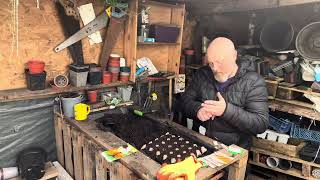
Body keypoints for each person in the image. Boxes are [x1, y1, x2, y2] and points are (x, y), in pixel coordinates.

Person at [181, 37, 269, 149]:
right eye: (211, 63)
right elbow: (183, 102)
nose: (215, 68)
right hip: (201, 144)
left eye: (220, 62)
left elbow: (260, 124)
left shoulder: (253, 82)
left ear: (234, 56)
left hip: (233, 150)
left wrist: (226, 110)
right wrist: (197, 109)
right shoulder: (202, 74)